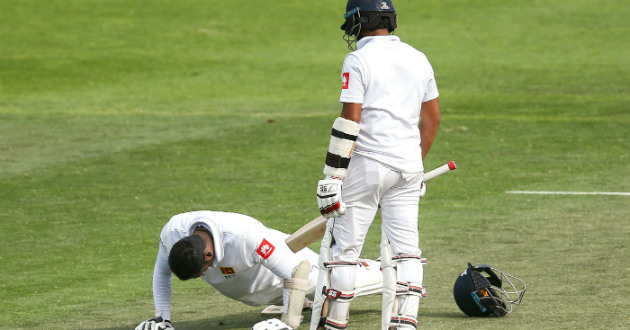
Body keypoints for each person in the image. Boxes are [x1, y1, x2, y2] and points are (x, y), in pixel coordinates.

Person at [313, 0, 441, 329]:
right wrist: (416, 166)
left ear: (359, 20)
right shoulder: (419, 58)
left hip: (367, 165)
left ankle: (335, 323)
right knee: (407, 250)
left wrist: (332, 175)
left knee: (345, 251)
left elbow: (349, 120)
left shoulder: (357, 59)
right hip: (408, 166)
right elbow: (431, 120)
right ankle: (405, 323)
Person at [134, 210, 383, 330]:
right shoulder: (172, 233)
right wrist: (162, 319)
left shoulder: (245, 237)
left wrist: (288, 323)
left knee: (337, 281)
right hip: (259, 291)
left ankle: (391, 270)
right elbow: (161, 273)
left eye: (201, 272)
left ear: (208, 255)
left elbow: (294, 273)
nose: (202, 276)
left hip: (288, 273)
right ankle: (309, 303)